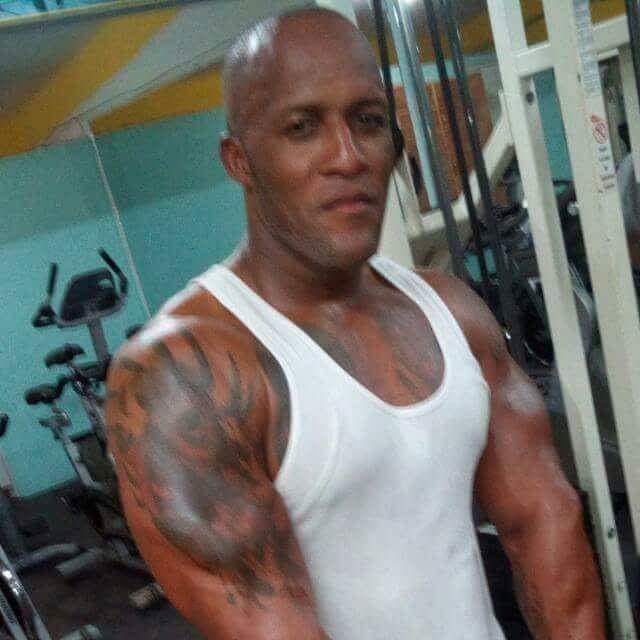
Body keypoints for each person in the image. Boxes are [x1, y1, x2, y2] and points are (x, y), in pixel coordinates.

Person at [105, 8, 606, 639]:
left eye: (367, 121)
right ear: (239, 160)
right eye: (302, 127)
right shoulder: (185, 377)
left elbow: (544, 524)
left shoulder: (452, 312)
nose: (347, 157)